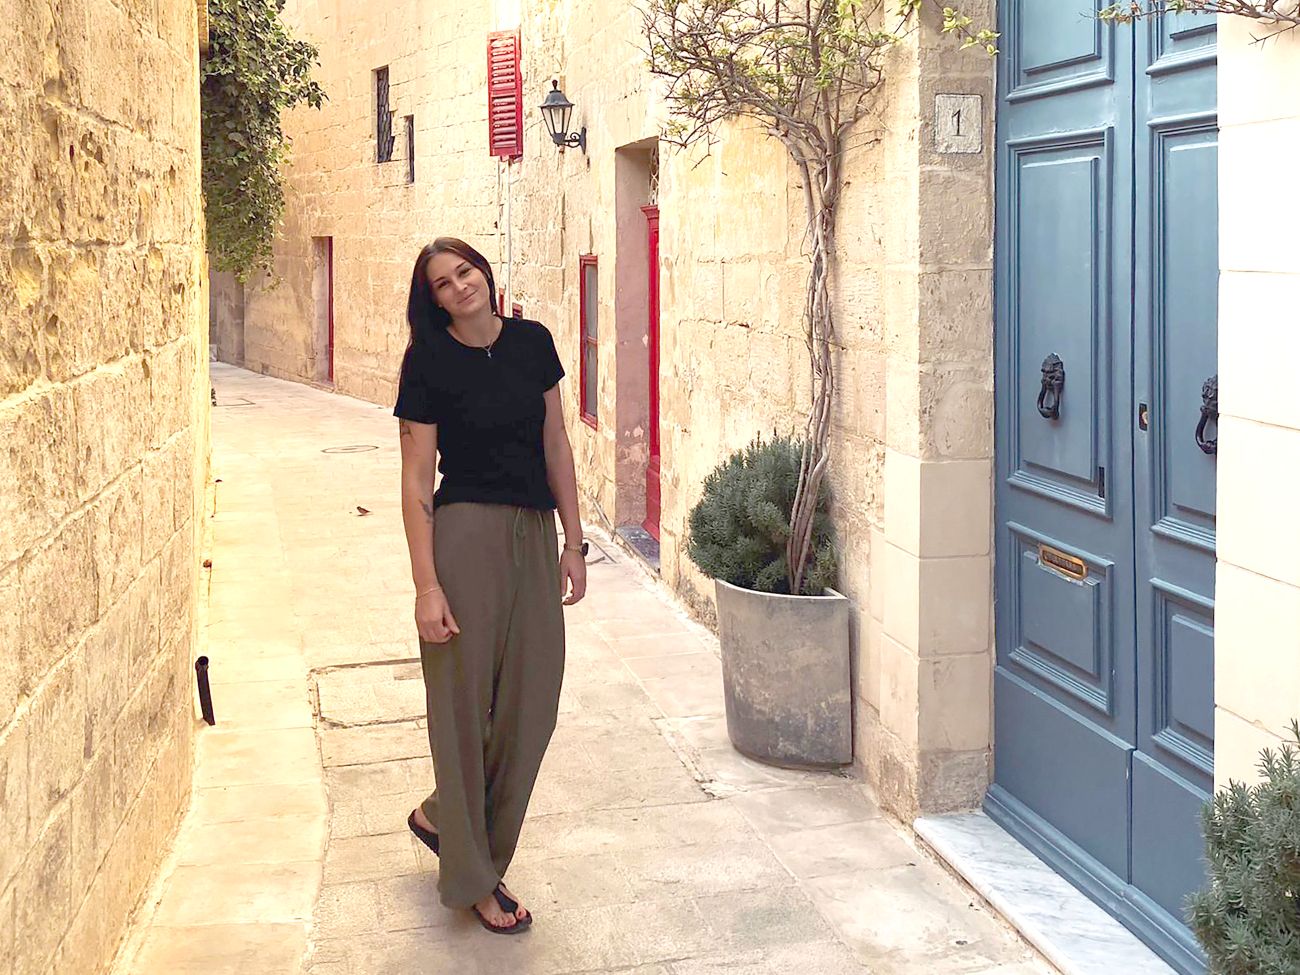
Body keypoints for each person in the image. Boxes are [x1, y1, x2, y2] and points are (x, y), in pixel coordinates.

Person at [393, 237, 587, 934]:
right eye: (442, 284)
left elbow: (555, 445)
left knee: (531, 707)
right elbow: (416, 480)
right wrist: (426, 586)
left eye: (464, 271)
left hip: (534, 536)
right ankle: (476, 875)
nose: (458, 287)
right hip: (463, 539)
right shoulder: (428, 361)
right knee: (460, 709)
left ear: (484, 271)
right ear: (434, 298)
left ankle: (443, 818)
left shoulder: (533, 341)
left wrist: (574, 539)